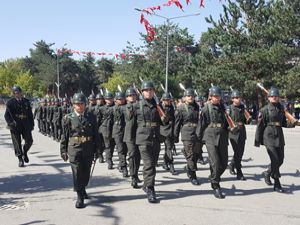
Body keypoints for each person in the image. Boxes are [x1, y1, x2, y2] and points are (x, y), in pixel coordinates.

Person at [60, 92, 101, 208]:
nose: (80, 106)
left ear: (85, 104)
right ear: (73, 105)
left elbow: (96, 135)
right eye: (77, 104)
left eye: (82, 103)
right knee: (77, 173)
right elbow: (64, 136)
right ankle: (79, 196)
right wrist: (63, 150)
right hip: (74, 149)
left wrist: (98, 148)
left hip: (88, 148)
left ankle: (82, 188)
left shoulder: (91, 117)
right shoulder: (68, 118)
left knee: (86, 173)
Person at [133, 81, 165, 203]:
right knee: (149, 164)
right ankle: (151, 189)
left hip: (155, 137)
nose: (149, 92)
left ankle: (146, 184)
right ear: (142, 92)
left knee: (153, 164)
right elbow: (131, 125)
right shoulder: (137, 106)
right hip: (142, 138)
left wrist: (164, 113)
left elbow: (164, 122)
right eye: (146, 90)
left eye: (151, 90)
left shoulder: (158, 105)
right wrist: (130, 143)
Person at [254, 87, 290, 193]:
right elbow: (260, 126)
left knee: (280, 159)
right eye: (272, 96)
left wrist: (292, 123)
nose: (274, 97)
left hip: (279, 136)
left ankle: (268, 172)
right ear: (269, 98)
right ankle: (277, 182)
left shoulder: (281, 109)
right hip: (268, 136)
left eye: (276, 96)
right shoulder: (264, 110)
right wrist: (257, 140)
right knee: (274, 159)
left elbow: (284, 123)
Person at [198, 86, 229, 199]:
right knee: (215, 162)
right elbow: (201, 124)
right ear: (210, 97)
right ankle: (216, 185)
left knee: (224, 163)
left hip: (222, 137)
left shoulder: (224, 108)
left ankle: (213, 177)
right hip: (210, 137)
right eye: (215, 96)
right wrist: (199, 140)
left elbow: (227, 123)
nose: (217, 98)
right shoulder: (206, 108)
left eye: (219, 96)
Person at [174, 88, 200, 185]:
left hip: (196, 132)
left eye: (192, 96)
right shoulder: (181, 108)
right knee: (190, 155)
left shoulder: (196, 106)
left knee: (197, 153)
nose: (191, 97)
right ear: (185, 97)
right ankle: (193, 175)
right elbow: (177, 123)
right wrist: (175, 135)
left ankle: (189, 168)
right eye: (189, 96)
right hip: (186, 133)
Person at [4, 86, 34, 167]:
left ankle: (25, 152)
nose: (17, 94)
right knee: (17, 143)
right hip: (15, 125)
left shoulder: (26, 102)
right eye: (15, 93)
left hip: (25, 123)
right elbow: (6, 116)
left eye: (18, 92)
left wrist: (32, 124)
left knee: (29, 141)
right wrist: (11, 123)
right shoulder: (10, 103)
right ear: (13, 94)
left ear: (21, 92)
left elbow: (30, 114)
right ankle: (20, 159)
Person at [227, 90, 251, 180]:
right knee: (237, 152)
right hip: (233, 133)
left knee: (240, 152)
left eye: (239, 98)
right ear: (232, 99)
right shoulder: (229, 108)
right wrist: (231, 128)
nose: (238, 99)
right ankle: (239, 172)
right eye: (236, 98)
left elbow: (245, 120)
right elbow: (227, 122)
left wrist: (248, 119)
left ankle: (232, 164)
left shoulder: (242, 108)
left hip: (242, 132)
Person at [123, 87, 141, 188]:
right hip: (129, 135)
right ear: (127, 98)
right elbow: (129, 116)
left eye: (134, 95)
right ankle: (133, 177)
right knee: (132, 155)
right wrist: (137, 104)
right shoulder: (126, 107)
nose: (132, 97)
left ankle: (136, 174)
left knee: (138, 156)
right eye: (130, 96)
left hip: (139, 134)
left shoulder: (139, 105)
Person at [160, 92, 177, 175]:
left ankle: (165, 162)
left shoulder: (171, 107)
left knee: (168, 147)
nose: (168, 101)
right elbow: (162, 120)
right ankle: (171, 164)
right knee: (169, 147)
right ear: (163, 100)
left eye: (169, 100)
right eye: (166, 100)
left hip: (171, 130)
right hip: (163, 130)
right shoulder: (159, 107)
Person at [112, 91, 128, 177]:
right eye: (119, 99)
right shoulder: (113, 108)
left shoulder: (126, 107)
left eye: (122, 99)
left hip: (126, 131)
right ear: (116, 100)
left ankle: (121, 164)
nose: (121, 100)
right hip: (117, 132)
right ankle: (124, 166)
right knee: (121, 149)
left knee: (125, 150)